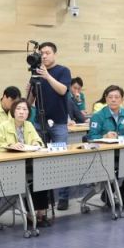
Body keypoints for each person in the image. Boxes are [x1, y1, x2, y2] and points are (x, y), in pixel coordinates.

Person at [0, 98, 54, 226]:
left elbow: (38, 141)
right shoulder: (3, 127)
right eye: (18, 109)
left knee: (42, 172)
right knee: (32, 177)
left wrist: (35, 143)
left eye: (25, 109)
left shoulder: (29, 125)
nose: (21, 112)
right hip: (10, 166)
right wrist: (10, 145)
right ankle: (31, 214)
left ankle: (41, 212)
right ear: (13, 111)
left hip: (28, 163)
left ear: (28, 113)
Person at [30, 42, 73, 210]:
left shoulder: (63, 71)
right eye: (41, 53)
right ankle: (44, 199)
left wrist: (47, 76)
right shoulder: (36, 73)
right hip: (39, 122)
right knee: (40, 161)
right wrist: (29, 88)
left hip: (59, 123)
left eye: (47, 53)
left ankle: (63, 197)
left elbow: (63, 90)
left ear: (54, 54)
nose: (44, 56)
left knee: (62, 161)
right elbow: (29, 102)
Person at [87, 85, 124, 206]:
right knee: (118, 165)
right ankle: (108, 192)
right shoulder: (98, 116)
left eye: (116, 97)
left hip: (123, 151)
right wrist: (104, 136)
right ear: (106, 98)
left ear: (122, 99)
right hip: (105, 154)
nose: (113, 100)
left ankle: (123, 190)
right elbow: (91, 137)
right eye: (110, 97)